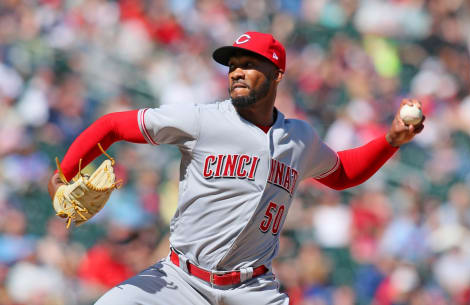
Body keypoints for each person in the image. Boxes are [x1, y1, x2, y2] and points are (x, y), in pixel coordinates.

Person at [47, 31, 424, 305]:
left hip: (252, 290)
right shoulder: (201, 120)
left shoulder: (300, 139)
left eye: (249, 64)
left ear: (277, 74)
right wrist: (62, 175)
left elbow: (342, 173)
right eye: (233, 66)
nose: (236, 72)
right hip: (179, 281)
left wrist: (389, 140)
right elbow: (112, 125)